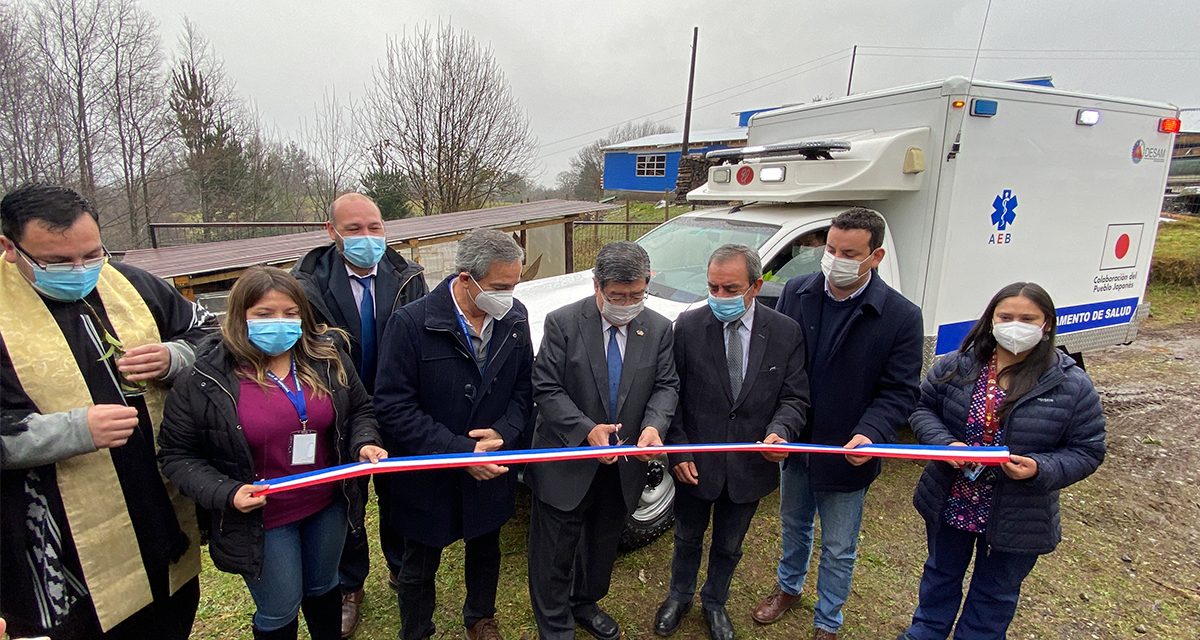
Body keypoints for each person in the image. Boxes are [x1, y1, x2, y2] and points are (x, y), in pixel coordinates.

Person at [0, 183, 216, 639]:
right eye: (57, 262)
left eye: (92, 254)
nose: (81, 271)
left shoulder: (131, 283)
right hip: (59, 541)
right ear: (9, 247)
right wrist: (73, 430)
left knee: (170, 616)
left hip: (157, 508)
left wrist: (174, 357)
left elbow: (210, 336)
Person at [158, 266, 387, 640]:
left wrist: (363, 442)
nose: (279, 322)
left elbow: (360, 408)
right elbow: (177, 455)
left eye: (289, 313)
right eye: (264, 314)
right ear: (239, 317)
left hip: (327, 502)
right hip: (263, 517)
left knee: (324, 586)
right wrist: (227, 492)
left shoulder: (327, 359)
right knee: (279, 607)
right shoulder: (205, 377)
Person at [897, 282, 1105, 640]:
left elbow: (1088, 449)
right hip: (952, 497)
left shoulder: (1069, 384)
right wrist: (945, 445)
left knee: (996, 592)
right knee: (940, 574)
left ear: (1047, 325)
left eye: (1027, 318)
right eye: (1006, 316)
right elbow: (922, 408)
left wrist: (1041, 468)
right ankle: (926, 632)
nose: (1015, 325)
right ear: (991, 319)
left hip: (1019, 510)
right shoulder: (958, 366)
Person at [756, 207, 923, 640]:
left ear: (876, 256)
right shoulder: (797, 292)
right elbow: (782, 367)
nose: (835, 259)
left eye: (849, 252)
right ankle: (789, 587)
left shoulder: (900, 316)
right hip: (797, 442)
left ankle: (828, 620)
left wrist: (869, 433)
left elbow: (900, 391)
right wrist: (781, 424)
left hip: (849, 451)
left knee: (839, 546)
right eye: (830, 249)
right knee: (793, 522)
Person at [373, 228, 533, 640]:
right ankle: (417, 629)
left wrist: (504, 431)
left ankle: (481, 617)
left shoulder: (514, 319)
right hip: (429, 470)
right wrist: (461, 452)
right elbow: (393, 406)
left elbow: (523, 390)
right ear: (466, 279)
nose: (509, 296)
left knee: (486, 547)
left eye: (514, 285)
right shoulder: (410, 324)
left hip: (492, 465)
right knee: (419, 562)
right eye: (500, 287)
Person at [655, 244, 810, 640]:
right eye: (713, 287)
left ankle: (715, 602)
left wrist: (782, 430)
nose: (720, 297)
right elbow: (672, 394)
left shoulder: (784, 332)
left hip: (749, 466)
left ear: (756, 286)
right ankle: (679, 596)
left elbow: (794, 397)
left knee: (728, 543)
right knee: (687, 536)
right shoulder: (688, 327)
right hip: (695, 465)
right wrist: (679, 451)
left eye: (730, 288)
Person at [526, 241, 679, 640]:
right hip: (566, 461)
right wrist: (584, 430)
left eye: (636, 294)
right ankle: (556, 624)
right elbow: (545, 387)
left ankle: (585, 601)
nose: (627, 303)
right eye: (617, 296)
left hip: (624, 464)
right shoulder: (562, 323)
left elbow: (666, 385)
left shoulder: (659, 328)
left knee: (601, 544)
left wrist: (653, 427)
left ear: (648, 283)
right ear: (597, 286)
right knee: (555, 550)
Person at [291, 192, 427, 637]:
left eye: (374, 227)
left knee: (399, 494)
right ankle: (350, 585)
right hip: (339, 411)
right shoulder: (306, 284)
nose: (367, 237)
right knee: (348, 500)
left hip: (398, 407)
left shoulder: (407, 277)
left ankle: (399, 565)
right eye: (354, 229)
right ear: (331, 233)